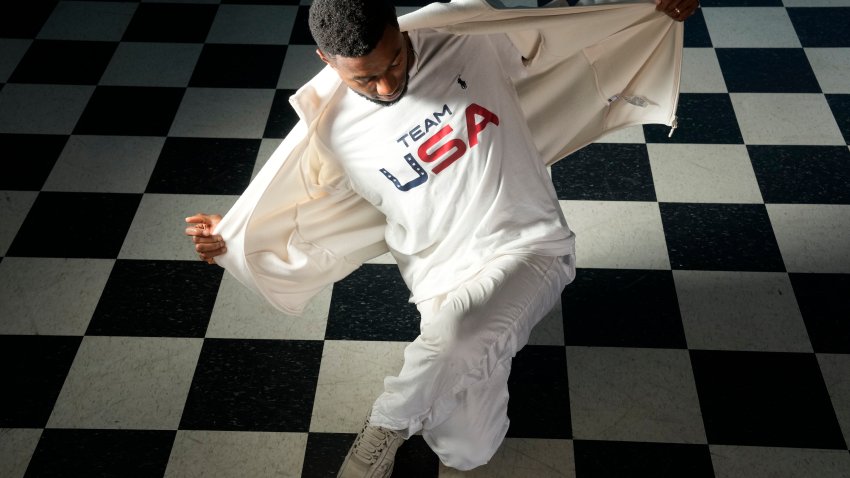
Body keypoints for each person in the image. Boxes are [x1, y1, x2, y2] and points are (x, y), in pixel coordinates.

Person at [185, 0, 696, 475]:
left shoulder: (470, 39)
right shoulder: (330, 128)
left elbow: (563, 33)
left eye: (394, 63)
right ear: (326, 59)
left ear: (400, 30)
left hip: (530, 245)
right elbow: (302, 205)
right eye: (365, 79)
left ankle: (383, 428)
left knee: (455, 335)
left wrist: (651, 11)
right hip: (437, 278)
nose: (387, 86)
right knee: (467, 450)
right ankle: (484, 343)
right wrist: (233, 233)